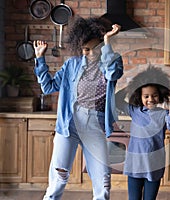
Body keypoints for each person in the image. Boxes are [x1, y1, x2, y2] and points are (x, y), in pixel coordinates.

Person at [33, 15, 123, 200]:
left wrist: (107, 42)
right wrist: (40, 59)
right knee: (58, 180)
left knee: (103, 183)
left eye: (95, 48)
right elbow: (48, 87)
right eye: (86, 49)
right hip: (69, 125)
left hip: (95, 127)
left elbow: (113, 73)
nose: (91, 53)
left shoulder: (111, 62)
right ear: (79, 48)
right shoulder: (71, 65)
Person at [116, 67, 170, 200]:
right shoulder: (134, 111)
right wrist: (130, 87)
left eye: (154, 95)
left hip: (154, 165)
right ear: (139, 97)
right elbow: (117, 100)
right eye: (146, 96)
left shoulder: (163, 114)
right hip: (135, 165)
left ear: (160, 95)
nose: (150, 99)